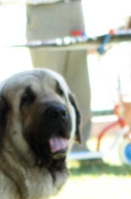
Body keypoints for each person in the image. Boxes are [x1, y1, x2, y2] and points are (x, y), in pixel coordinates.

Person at [26, 0, 92, 149]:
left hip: (74, 8)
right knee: (48, 87)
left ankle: (81, 148)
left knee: (79, 86)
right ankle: (51, 148)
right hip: (45, 10)